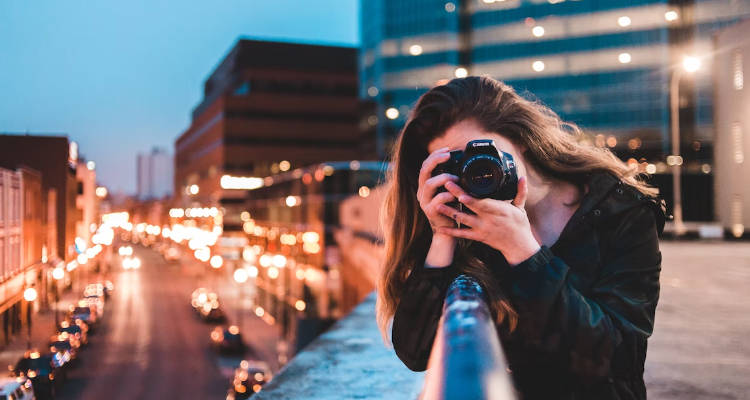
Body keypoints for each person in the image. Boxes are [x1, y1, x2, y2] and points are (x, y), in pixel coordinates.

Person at [377, 76, 666, 399]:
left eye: (482, 152)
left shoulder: (620, 212)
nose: (477, 171)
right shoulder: (465, 230)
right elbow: (416, 353)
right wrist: (443, 234)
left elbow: (618, 356)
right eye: (455, 164)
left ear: (522, 138)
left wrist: (523, 252)